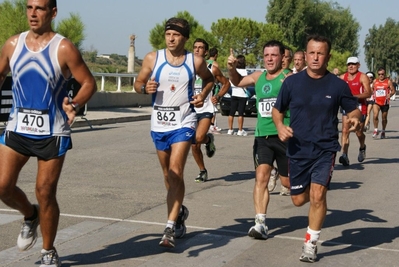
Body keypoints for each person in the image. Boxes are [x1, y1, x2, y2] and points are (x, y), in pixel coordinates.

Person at [0, 0, 97, 266]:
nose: (33, 13)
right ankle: (30, 215)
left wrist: (74, 103)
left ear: (53, 12)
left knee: (45, 191)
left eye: (40, 8)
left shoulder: (63, 47)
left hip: (52, 131)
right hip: (17, 127)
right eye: (29, 7)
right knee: (2, 186)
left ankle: (48, 252)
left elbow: (89, 82)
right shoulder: (12, 44)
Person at [272, 34, 361, 263]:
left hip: (325, 148)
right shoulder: (292, 82)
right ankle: (310, 188)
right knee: (299, 200)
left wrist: (355, 119)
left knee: (318, 195)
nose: (315, 57)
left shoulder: (338, 85)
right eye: (312, 52)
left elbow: (353, 110)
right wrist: (280, 126)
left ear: (328, 56)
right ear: (305, 54)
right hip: (298, 148)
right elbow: (277, 110)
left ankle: (311, 243)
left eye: (320, 53)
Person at [133, 18, 214, 248]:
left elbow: (210, 79)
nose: (170, 38)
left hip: (184, 121)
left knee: (176, 172)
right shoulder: (153, 58)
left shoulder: (194, 60)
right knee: (168, 177)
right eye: (168, 34)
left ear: (185, 38)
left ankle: (168, 228)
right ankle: (179, 212)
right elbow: (138, 83)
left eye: (176, 35)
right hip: (159, 124)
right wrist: (143, 88)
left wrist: (202, 95)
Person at [227, 40, 291, 240]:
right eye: (266, 55)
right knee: (260, 178)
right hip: (262, 136)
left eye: (274, 55)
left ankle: (288, 176)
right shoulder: (258, 77)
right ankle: (260, 223)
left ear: (281, 58)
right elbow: (237, 81)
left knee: (289, 184)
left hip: (284, 137)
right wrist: (231, 68)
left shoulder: (289, 78)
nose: (269, 59)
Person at [191, 39, 228, 183]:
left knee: (198, 138)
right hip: (190, 109)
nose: (197, 50)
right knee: (194, 145)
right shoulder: (187, 67)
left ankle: (206, 139)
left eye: (200, 48)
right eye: (195, 47)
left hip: (206, 108)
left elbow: (226, 84)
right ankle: (202, 170)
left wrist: (218, 96)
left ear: (206, 52)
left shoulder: (212, 68)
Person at [338, 57, 372, 166]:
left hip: (359, 106)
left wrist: (354, 97)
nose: (351, 66)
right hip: (346, 106)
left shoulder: (363, 77)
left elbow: (368, 93)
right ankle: (344, 155)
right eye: (349, 64)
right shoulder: (343, 77)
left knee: (358, 132)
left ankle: (362, 147)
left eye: (353, 64)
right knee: (345, 130)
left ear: (358, 65)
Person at [207, 47, 229, 133]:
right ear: (216, 55)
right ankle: (212, 125)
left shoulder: (205, 62)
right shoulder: (215, 64)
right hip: (213, 87)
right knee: (214, 106)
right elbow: (217, 77)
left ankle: (210, 125)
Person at [227, 55, 249, 136]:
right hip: (242, 94)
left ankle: (230, 129)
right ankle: (240, 130)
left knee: (231, 112)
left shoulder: (234, 70)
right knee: (240, 113)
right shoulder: (244, 72)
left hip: (234, 93)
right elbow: (246, 84)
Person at [372, 67, 395, 139]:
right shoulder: (375, 81)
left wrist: (390, 94)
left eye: (382, 74)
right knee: (375, 115)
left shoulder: (388, 81)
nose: (381, 75)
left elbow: (393, 91)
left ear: (384, 74)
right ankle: (376, 130)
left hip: (385, 102)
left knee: (384, 118)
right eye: (379, 74)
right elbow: (371, 89)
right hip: (376, 102)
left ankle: (383, 131)